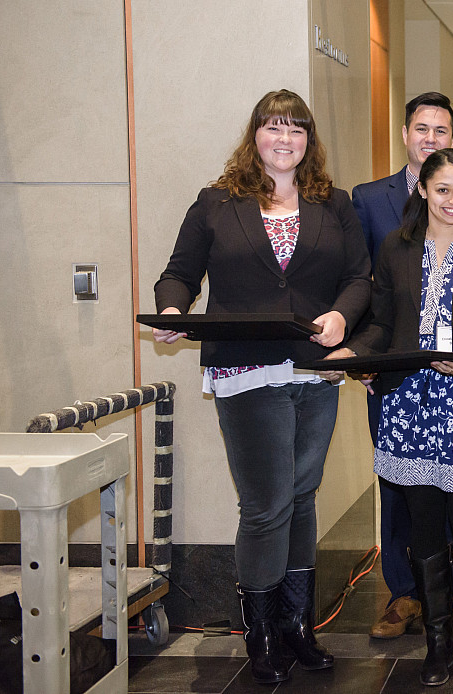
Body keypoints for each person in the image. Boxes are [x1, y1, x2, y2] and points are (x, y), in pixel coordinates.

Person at [152, 89, 371, 685]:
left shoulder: (335, 203)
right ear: (255, 136)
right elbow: (178, 275)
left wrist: (342, 318)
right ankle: (263, 629)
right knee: (268, 504)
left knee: (302, 497)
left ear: (309, 140)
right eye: (274, 128)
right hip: (247, 371)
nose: (285, 139)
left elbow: (359, 278)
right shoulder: (217, 204)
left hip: (315, 370)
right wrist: (172, 312)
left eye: (296, 129)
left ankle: (299, 627)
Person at [335, 148, 453, 686]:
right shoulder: (395, 248)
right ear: (423, 190)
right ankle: (438, 643)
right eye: (443, 189)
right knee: (422, 530)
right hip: (408, 406)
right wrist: (360, 358)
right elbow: (380, 323)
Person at [351, 91, 453, 639]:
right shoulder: (369, 199)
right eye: (421, 128)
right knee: (398, 490)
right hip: (399, 382)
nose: (430, 137)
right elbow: (368, 290)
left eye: (441, 130)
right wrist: (364, 355)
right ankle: (404, 594)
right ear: (405, 133)